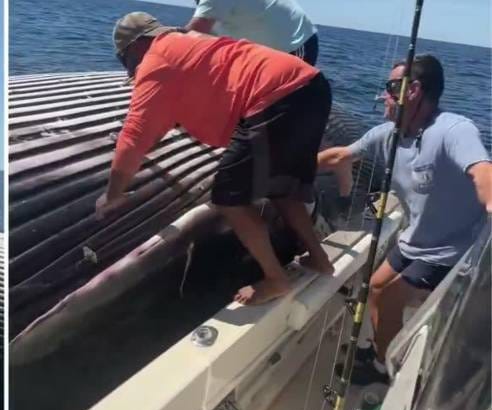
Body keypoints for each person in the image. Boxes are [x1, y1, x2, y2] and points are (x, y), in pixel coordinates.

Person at [96, 12, 334, 306]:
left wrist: (112, 195)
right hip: (311, 88)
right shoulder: (190, 44)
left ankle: (275, 278)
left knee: (228, 198)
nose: (131, 69)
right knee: (282, 187)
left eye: (126, 61)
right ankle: (320, 258)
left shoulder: (156, 62)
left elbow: (133, 137)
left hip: (275, 98)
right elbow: (157, 126)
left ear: (135, 46)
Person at [318, 54, 492, 384]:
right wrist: (291, 166)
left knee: (388, 296)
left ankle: (386, 367)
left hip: (451, 250)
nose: (382, 95)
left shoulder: (454, 129)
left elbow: (483, 171)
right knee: (375, 287)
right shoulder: (385, 134)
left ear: (411, 91)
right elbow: (340, 156)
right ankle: (383, 350)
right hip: (414, 239)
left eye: (389, 87)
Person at [186, 0, 319, 65]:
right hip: (265, 50)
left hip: (296, 42)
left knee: (283, 96)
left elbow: (195, 32)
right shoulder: (213, 9)